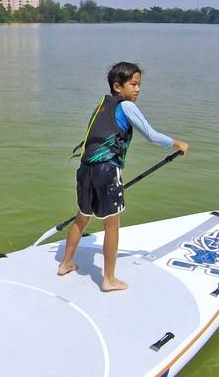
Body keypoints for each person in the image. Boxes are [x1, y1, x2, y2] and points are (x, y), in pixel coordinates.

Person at [57, 62, 189, 292]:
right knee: (112, 225)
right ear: (118, 87)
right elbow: (151, 135)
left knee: (82, 217)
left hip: (85, 169)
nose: (137, 90)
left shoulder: (101, 106)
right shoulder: (127, 106)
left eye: (139, 85)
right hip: (107, 171)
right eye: (133, 84)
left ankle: (66, 263)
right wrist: (177, 143)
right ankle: (108, 279)